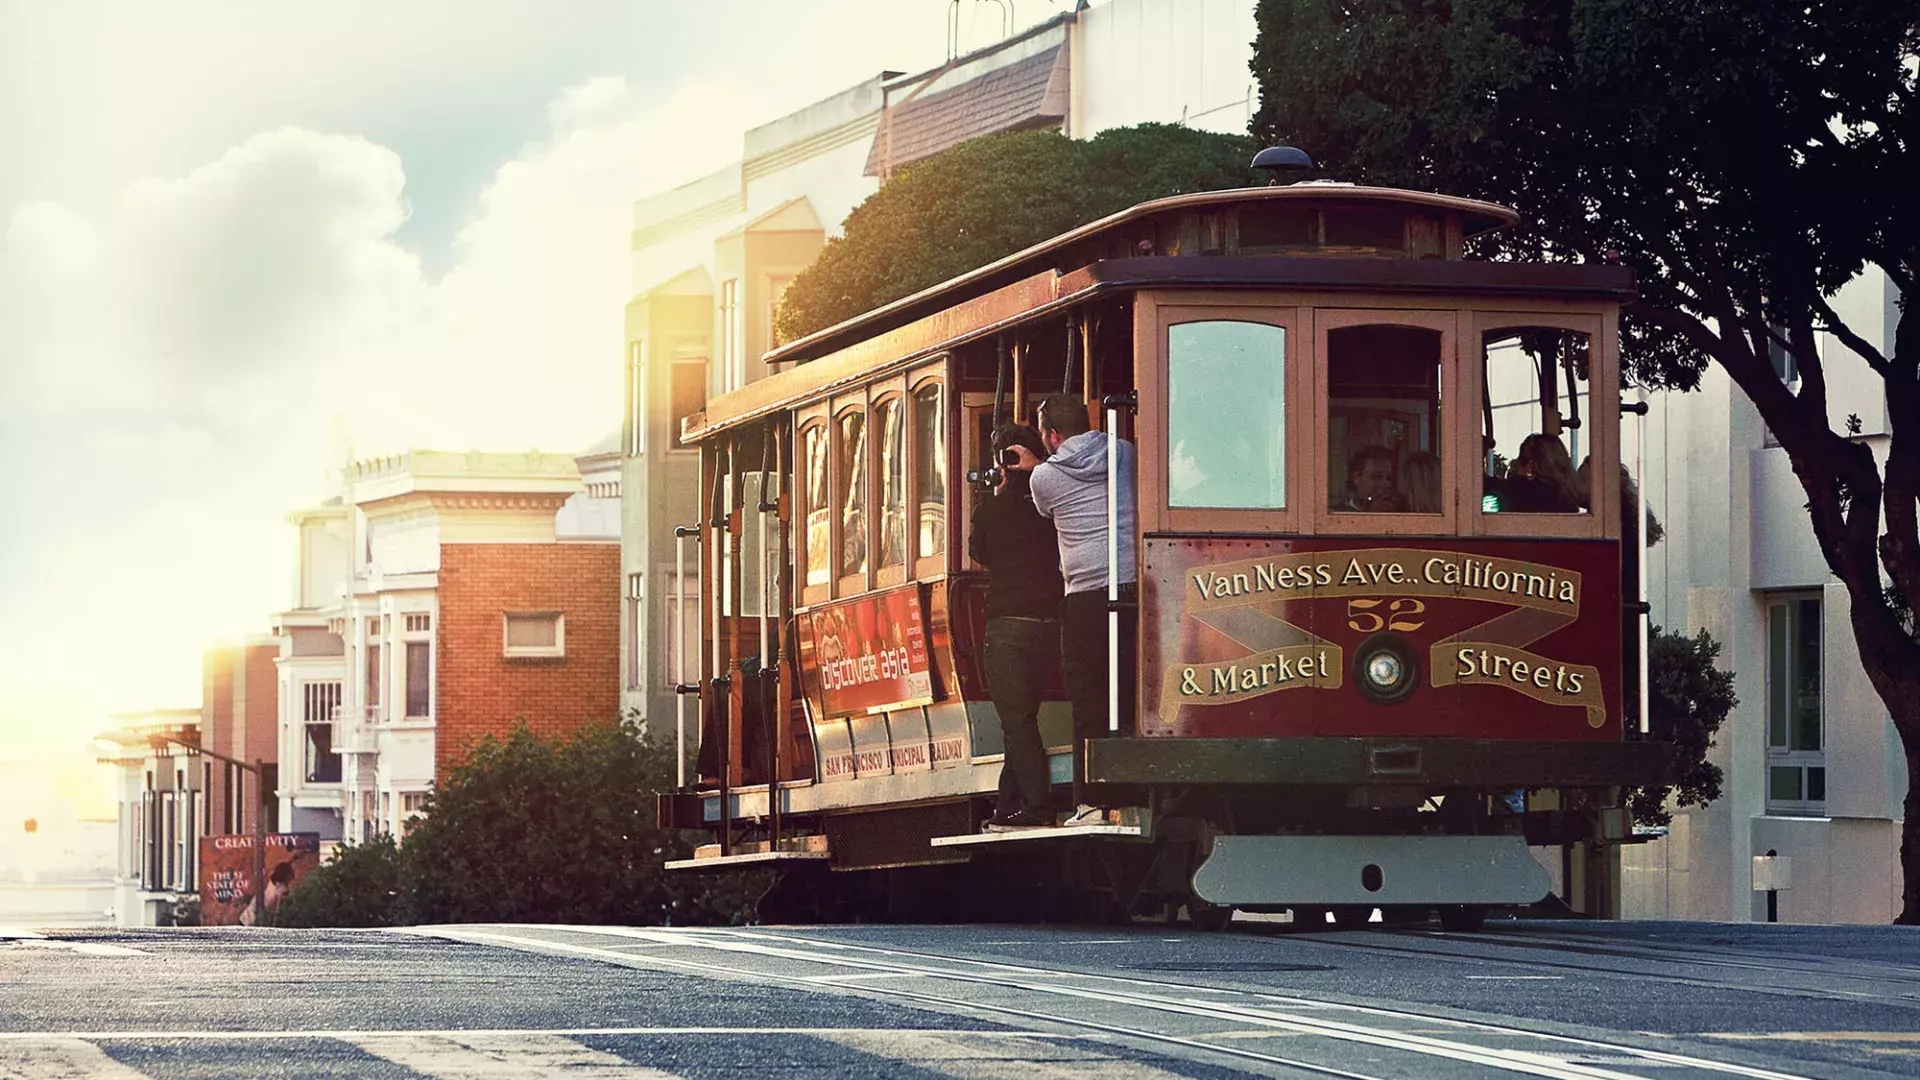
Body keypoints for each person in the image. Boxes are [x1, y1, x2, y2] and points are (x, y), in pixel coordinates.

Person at [1010, 393, 1137, 828]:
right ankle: (1140, 789)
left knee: (1088, 699)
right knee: (1135, 691)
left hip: (1084, 595)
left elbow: (1045, 510)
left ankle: (1093, 802)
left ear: (1050, 435)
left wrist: (1029, 467)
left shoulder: (1044, 476)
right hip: (1136, 585)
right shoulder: (1126, 454)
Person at [968, 424, 1065, 831]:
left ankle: (1038, 808)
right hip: (1049, 628)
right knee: (1020, 718)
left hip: (1007, 629)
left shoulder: (992, 509)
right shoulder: (1054, 503)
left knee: (1018, 721)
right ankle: (1007, 806)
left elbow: (979, 552)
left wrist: (1002, 491)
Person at [1498, 434, 1583, 513]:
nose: (1515, 463)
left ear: (1529, 466)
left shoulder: (1517, 491)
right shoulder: (1568, 499)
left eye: (1520, 458)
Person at [1342, 445, 1406, 512]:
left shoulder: (1402, 509)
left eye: (1389, 478)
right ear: (1357, 477)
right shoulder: (1338, 513)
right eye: (1376, 477)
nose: (1386, 483)